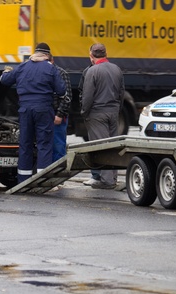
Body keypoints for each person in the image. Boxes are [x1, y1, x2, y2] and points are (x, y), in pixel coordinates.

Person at [0, 43, 66, 183]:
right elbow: (61, 91)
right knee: (44, 144)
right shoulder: (50, 68)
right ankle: (42, 180)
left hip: (25, 110)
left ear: (35, 53)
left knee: (25, 144)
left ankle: (23, 179)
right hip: (43, 109)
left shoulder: (23, 66)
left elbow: (4, 80)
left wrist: (5, 72)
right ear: (47, 55)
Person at [80, 43, 125, 189]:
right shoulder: (116, 69)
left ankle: (107, 181)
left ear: (91, 56)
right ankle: (113, 177)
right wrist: (118, 110)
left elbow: (87, 96)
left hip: (97, 113)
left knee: (101, 147)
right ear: (105, 54)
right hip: (113, 112)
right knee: (112, 146)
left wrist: (84, 112)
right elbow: (121, 92)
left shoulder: (92, 71)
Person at [51, 56, 72, 162]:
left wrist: (59, 114)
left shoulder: (61, 73)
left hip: (56, 116)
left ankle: (58, 171)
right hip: (45, 114)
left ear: (52, 60)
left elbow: (67, 97)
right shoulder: (42, 72)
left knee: (58, 145)